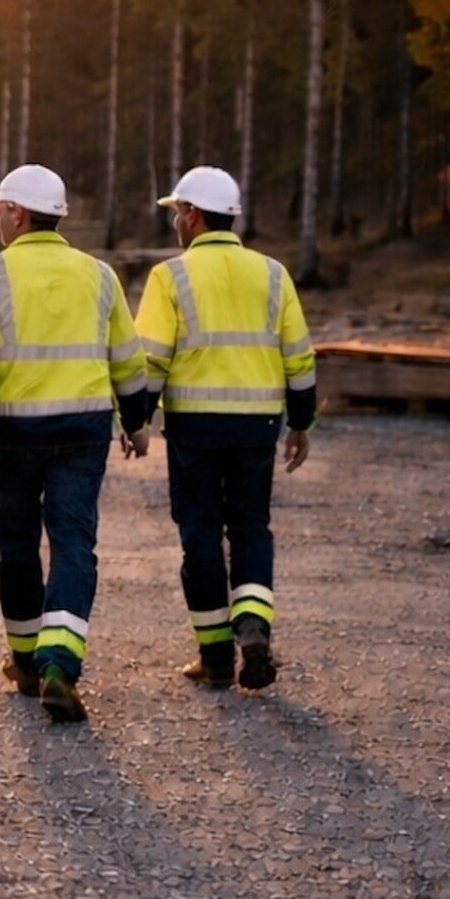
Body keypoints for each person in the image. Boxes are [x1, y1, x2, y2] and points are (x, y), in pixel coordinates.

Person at [0, 164, 150, 724]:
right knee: (74, 543)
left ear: (16, 213)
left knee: (16, 545)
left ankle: (27, 663)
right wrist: (136, 422)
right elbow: (128, 359)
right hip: (83, 431)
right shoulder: (100, 275)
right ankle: (59, 662)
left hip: (13, 433)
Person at [132, 166, 319, 690]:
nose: (175, 223)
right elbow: (300, 357)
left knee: (201, 535)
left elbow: (151, 359)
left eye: (177, 214)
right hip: (258, 426)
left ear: (193, 216)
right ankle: (253, 626)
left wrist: (137, 420)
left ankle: (215, 657)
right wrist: (300, 422)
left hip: (195, 426)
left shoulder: (170, 276)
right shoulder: (274, 273)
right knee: (251, 528)